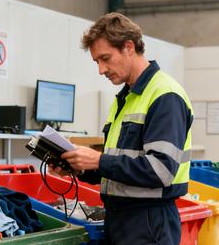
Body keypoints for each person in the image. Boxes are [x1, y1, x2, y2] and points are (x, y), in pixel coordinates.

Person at [50, 13, 192, 244]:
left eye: (105, 58)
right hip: (119, 219)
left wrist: (98, 160)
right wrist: (79, 168)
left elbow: (160, 170)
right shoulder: (125, 98)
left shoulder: (165, 95)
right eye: (97, 62)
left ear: (128, 46)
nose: (101, 69)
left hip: (149, 222)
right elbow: (118, 166)